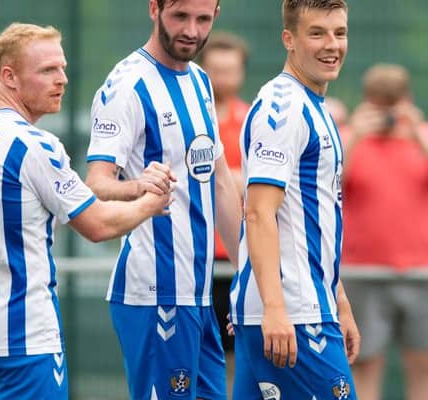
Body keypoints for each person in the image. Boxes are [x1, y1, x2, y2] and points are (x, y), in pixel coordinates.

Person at [0, 23, 173, 400]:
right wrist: (151, 204)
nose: (62, 80)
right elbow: (98, 225)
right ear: (9, 76)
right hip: (27, 342)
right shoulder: (35, 145)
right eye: (47, 71)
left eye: (63, 68)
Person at [85, 1, 242, 399]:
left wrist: (250, 274)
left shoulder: (200, 81)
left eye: (203, 19)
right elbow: (96, 183)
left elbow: (221, 184)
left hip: (200, 295)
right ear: (154, 8)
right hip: (155, 295)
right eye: (180, 17)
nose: (191, 30)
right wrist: (137, 186)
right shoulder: (127, 85)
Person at [229, 1, 360, 399]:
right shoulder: (282, 107)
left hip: (306, 304)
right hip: (292, 314)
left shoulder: (315, 106)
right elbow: (258, 211)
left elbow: (313, 219)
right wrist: (275, 308)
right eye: (316, 33)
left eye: (339, 32)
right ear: (289, 39)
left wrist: (339, 298)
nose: (331, 45)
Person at [342, 63, 428, 400]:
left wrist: (416, 132)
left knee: (422, 364)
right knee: (364, 363)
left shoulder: (420, 136)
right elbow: (329, 184)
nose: (388, 116)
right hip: (363, 271)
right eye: (380, 106)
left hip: (420, 272)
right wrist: (358, 134)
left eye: (393, 105)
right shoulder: (351, 138)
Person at [198, 30, 249, 397]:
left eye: (230, 70)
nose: (222, 78)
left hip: (233, 257)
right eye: (216, 69)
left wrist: (224, 175)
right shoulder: (190, 117)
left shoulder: (250, 119)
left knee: (238, 355)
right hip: (195, 255)